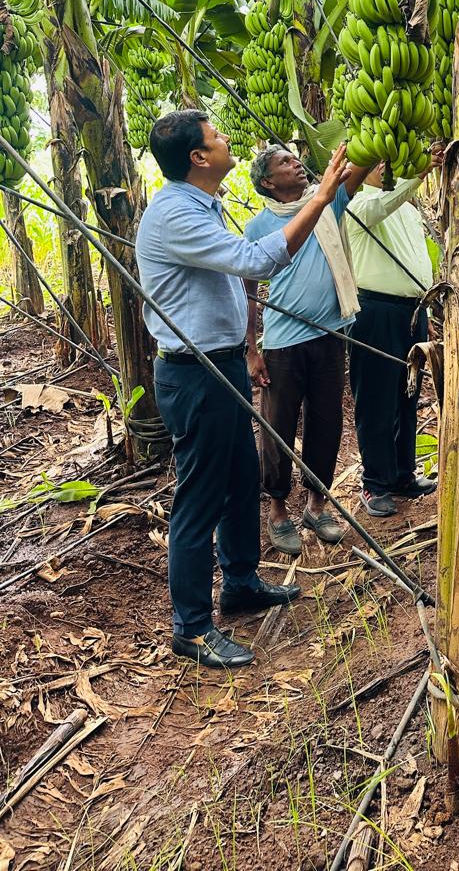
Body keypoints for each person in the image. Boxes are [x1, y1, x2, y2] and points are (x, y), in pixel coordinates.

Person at [135, 109, 349, 669]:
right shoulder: (174, 215)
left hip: (222, 363)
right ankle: (193, 627)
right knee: (201, 496)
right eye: (216, 136)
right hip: (193, 371)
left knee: (241, 479)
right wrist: (319, 197)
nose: (226, 138)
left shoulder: (204, 204)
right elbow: (256, 262)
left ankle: (240, 582)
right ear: (198, 158)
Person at [243, 145, 369, 556]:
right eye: (283, 162)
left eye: (295, 158)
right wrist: (251, 349)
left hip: (329, 335)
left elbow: (360, 166)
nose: (295, 163)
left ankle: (317, 504)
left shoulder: (326, 205)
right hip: (282, 343)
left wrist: (364, 137)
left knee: (327, 421)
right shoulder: (259, 226)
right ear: (267, 182)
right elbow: (248, 292)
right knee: (278, 427)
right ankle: (277, 511)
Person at [345, 155, 440, 516]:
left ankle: (402, 473)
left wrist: (425, 312)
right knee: (376, 400)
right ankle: (375, 483)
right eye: (376, 163)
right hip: (375, 311)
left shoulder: (406, 208)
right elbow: (384, 202)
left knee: (407, 394)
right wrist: (419, 172)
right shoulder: (359, 204)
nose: (386, 168)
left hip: (411, 311)